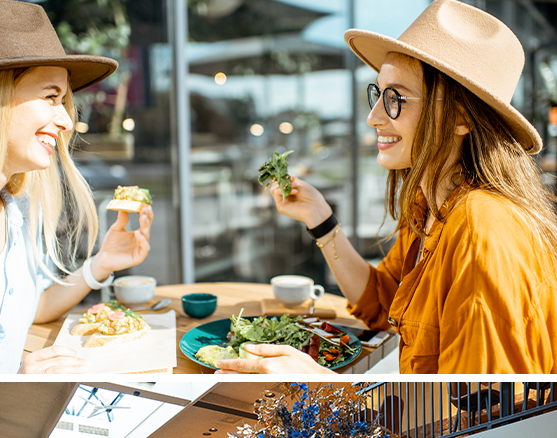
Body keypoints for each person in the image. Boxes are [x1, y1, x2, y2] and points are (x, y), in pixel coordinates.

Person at [220, 0, 557, 375]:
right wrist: (320, 219)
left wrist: (318, 382)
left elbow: (478, 421)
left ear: (461, 116)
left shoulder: (482, 229)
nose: (373, 116)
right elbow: (384, 302)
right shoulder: (429, 205)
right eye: (378, 93)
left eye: (396, 98)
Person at [0, 0, 155, 374]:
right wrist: (15, 381)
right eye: (51, 97)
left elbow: (34, 306)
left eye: (64, 102)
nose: (67, 121)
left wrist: (101, 264)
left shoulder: (17, 212)